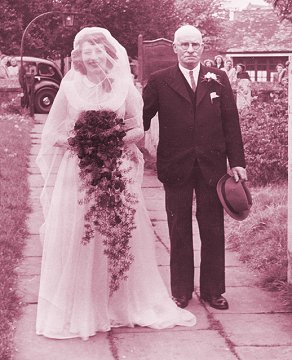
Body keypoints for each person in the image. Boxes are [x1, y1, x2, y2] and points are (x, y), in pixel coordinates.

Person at [36, 27, 196, 340]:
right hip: (79, 172)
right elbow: (52, 134)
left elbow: (139, 129)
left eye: (99, 50)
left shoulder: (124, 86)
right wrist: (76, 141)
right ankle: (84, 305)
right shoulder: (70, 86)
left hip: (117, 170)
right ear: (79, 55)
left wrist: (112, 139)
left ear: (109, 54)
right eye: (87, 51)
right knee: (82, 235)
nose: (93, 56)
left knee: (117, 234)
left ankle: (119, 302)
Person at [143, 25, 247, 310]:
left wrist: (237, 162)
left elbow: (231, 123)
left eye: (196, 45)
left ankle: (213, 291)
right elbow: (142, 116)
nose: (191, 50)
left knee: (212, 227)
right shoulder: (159, 80)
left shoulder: (219, 79)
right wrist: (126, 145)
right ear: (175, 48)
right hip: (175, 165)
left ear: (203, 47)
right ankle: (181, 291)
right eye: (185, 45)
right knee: (178, 227)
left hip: (212, 167)